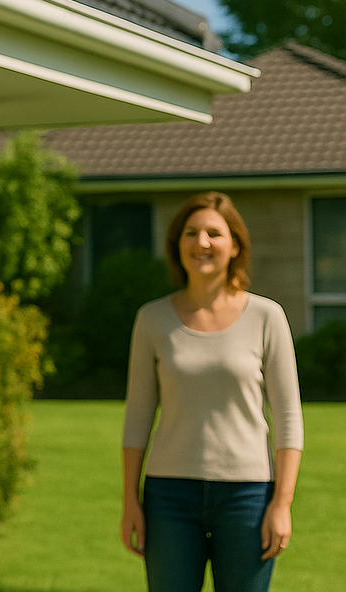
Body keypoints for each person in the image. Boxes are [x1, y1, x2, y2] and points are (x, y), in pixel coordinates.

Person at [120, 191, 304, 592]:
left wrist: (282, 504)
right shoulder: (151, 319)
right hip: (168, 497)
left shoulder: (267, 317)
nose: (201, 242)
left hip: (248, 498)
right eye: (191, 233)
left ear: (235, 245)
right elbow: (137, 417)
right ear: (177, 244)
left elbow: (289, 419)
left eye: (214, 233)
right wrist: (130, 501)